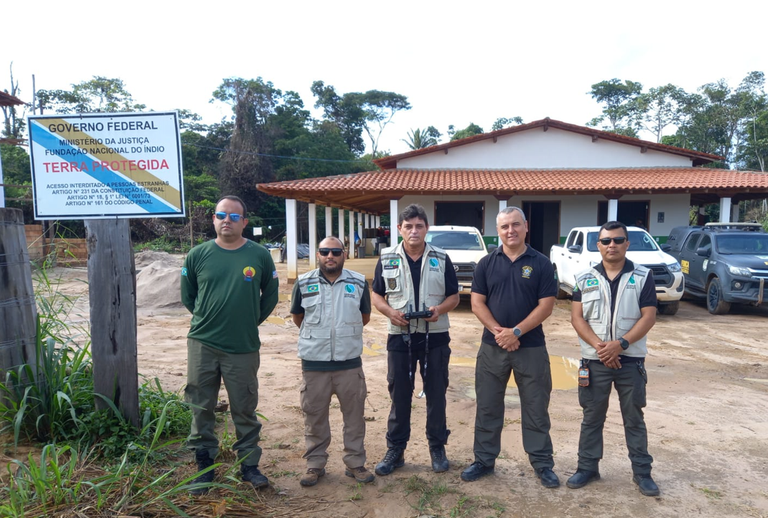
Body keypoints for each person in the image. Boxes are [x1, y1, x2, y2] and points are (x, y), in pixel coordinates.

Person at [181, 195, 279, 495]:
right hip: (203, 343)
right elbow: (188, 296)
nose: (227, 220)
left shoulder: (259, 255)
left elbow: (270, 296)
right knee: (200, 405)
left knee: (244, 407)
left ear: (244, 222)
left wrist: (248, 321)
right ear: (213, 219)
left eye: (234, 216)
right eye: (222, 215)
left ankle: (249, 466)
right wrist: (208, 319)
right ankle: (204, 467)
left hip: (243, 346)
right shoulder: (197, 255)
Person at [462, 206, 560, 488]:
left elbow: (546, 306)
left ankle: (542, 463)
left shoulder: (542, 263)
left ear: (526, 226)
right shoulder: (486, 263)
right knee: (488, 405)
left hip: (531, 348)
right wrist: (500, 333)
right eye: (505, 226)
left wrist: (516, 332)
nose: (511, 231)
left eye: (516, 224)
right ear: (498, 231)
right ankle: (484, 460)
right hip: (492, 347)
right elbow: (477, 303)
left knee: (536, 406)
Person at [566, 221, 660, 496]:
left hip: (630, 360)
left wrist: (620, 345)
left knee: (634, 418)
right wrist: (601, 348)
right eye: (606, 241)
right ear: (598, 245)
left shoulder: (643, 276)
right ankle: (587, 468)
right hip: (595, 360)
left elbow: (649, 316)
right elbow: (577, 318)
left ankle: (642, 473)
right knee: (592, 417)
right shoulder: (584, 277)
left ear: (627, 244)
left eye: (618, 240)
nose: (612, 245)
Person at [371, 204, 460, 475]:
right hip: (400, 336)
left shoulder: (441, 258)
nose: (414, 231)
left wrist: (439, 310)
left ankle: (437, 447)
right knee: (399, 394)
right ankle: (396, 450)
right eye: (408, 226)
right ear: (399, 229)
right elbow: (377, 294)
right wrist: (390, 312)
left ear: (426, 229)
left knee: (436, 394)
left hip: (435, 336)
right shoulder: (387, 258)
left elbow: (454, 296)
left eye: (419, 226)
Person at [290, 236, 375, 487]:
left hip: (349, 364)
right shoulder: (303, 283)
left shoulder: (358, 282)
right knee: (314, 417)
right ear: (318, 254)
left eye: (336, 252)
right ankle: (315, 464)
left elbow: (364, 317)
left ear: (344, 254)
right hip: (314, 364)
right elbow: (298, 317)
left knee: (355, 418)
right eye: (325, 251)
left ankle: (355, 463)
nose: (330, 256)